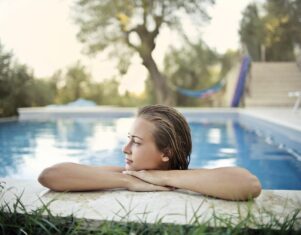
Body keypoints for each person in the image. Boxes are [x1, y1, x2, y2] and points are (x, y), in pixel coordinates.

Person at [38, 105, 261, 201]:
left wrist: (163, 177)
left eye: (136, 142)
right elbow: (50, 175)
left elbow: (250, 185)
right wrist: (128, 182)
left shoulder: (193, 179)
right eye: (128, 140)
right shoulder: (125, 174)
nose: (125, 149)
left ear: (166, 153)